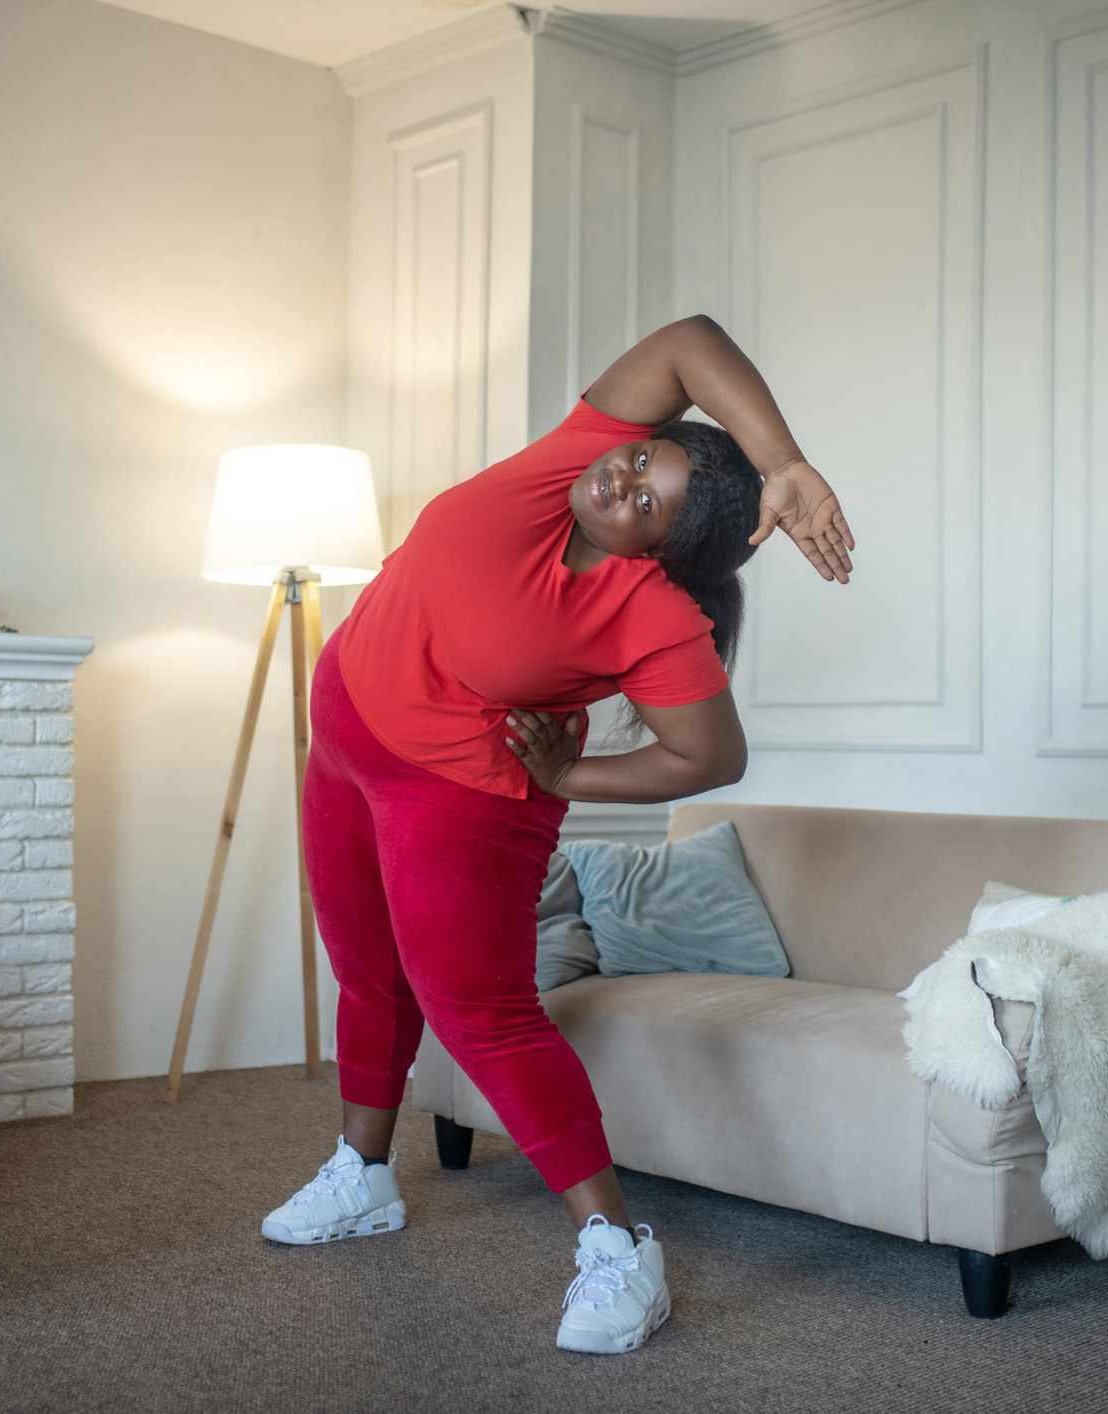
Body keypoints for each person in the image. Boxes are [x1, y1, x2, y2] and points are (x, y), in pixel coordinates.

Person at [260, 315, 854, 1354]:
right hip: (345, 733)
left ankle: (621, 1249)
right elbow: (689, 342)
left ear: (662, 558)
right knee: (367, 969)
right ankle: (361, 1176)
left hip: (456, 790)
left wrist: (571, 773)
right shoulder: (575, 456)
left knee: (481, 1013)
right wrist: (785, 462)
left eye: (645, 500)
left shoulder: (653, 616)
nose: (619, 479)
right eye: (636, 459)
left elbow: (710, 757)